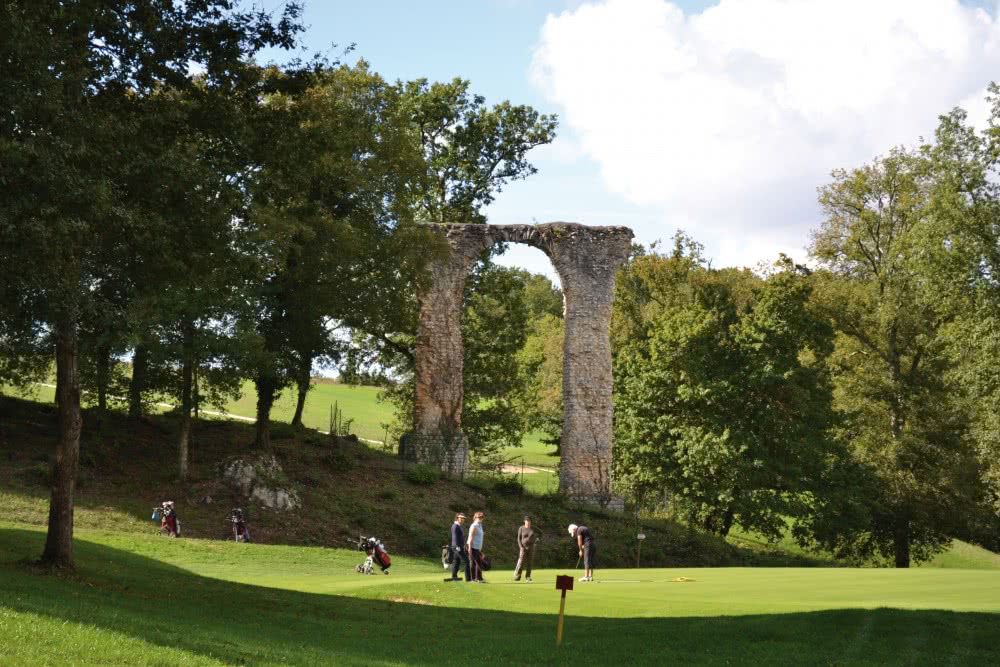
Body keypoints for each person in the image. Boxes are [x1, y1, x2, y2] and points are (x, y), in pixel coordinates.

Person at [445, 513, 471, 582]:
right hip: (457, 547)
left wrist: (464, 545)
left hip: (458, 547)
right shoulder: (455, 526)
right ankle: (468, 579)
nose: (463, 520)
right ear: (457, 518)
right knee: (467, 561)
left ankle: (454, 576)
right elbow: (455, 538)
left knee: (457, 561)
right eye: (461, 518)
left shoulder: (458, 526)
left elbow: (460, 538)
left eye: (463, 518)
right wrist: (457, 547)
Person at [513, 515, 540, 582]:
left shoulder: (533, 528)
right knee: (521, 562)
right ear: (524, 521)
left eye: (529, 521)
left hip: (531, 547)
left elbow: (541, 533)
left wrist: (537, 539)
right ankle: (518, 576)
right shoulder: (521, 528)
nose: (528, 522)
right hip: (523, 548)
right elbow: (518, 538)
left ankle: (528, 577)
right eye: (527, 521)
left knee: (529, 563)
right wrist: (521, 547)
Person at [467, 511, 487, 583]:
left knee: (479, 563)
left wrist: (480, 547)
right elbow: (471, 537)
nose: (481, 519)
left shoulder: (480, 525)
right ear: (475, 517)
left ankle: (480, 578)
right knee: (473, 563)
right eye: (479, 517)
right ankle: (473, 579)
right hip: (472, 547)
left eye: (482, 517)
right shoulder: (474, 526)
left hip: (477, 548)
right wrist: (469, 548)